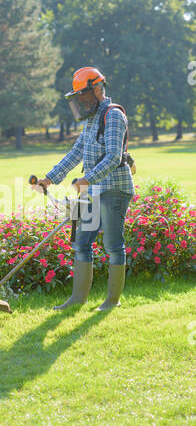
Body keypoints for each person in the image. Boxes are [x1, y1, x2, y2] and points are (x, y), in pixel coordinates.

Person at [38, 66, 135, 311]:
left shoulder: (112, 115)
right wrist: (49, 179)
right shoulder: (92, 119)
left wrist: (87, 179)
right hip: (93, 190)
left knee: (113, 245)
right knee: (82, 242)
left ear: (96, 88)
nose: (80, 99)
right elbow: (76, 153)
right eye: (77, 95)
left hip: (114, 189)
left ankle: (112, 301)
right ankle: (77, 300)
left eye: (83, 93)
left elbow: (113, 156)